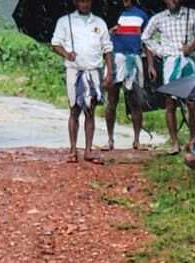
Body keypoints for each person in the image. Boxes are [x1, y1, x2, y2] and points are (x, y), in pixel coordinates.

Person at [52, 0, 113, 163]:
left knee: (90, 110)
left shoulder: (99, 23)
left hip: (93, 71)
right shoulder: (65, 21)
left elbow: (107, 49)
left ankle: (88, 149)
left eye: (87, 1)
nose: (85, 4)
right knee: (74, 109)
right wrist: (66, 54)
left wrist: (109, 72)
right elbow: (55, 44)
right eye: (81, 1)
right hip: (74, 71)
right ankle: (73, 149)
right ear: (75, 2)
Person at [144, 0, 195, 153]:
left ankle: (193, 139)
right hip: (170, 63)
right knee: (170, 103)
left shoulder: (192, 14)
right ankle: (175, 142)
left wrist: (189, 48)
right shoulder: (158, 18)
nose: (173, 1)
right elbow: (145, 37)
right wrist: (161, 51)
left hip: (188, 63)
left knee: (192, 103)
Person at [105, 2, 149, 152]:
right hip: (115, 59)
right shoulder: (109, 12)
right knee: (112, 100)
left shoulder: (142, 15)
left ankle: (137, 140)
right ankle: (110, 139)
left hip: (134, 58)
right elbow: (104, 41)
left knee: (134, 101)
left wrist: (150, 65)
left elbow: (147, 40)